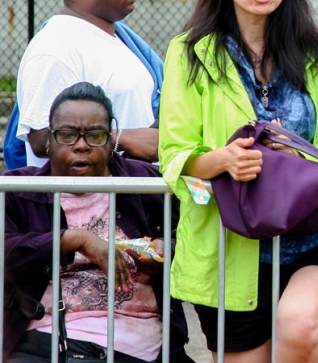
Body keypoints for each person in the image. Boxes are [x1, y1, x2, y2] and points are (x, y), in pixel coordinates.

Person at [158, 0, 318, 363]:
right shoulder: (190, 54)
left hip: (312, 235)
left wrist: (302, 156)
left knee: (302, 326)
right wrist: (223, 160)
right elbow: (176, 152)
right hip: (228, 246)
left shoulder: (317, 51)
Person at [3, 82, 190, 363]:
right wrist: (75, 239)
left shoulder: (148, 185)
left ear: (109, 139)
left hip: (136, 344)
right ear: (49, 141)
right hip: (45, 341)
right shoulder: (21, 190)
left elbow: (196, 235)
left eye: (95, 135)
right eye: (67, 135)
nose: (81, 145)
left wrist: (168, 250)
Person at [12, 0, 162, 169]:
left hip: (126, 202)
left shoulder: (118, 39)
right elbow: (41, 138)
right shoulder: (56, 46)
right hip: (81, 205)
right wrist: (118, 138)